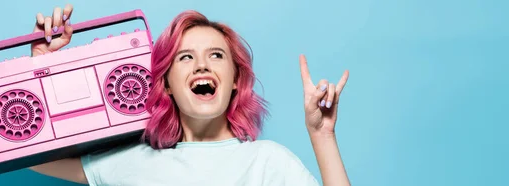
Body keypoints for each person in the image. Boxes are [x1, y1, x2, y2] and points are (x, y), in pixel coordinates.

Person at [28, 4, 351, 186]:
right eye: (185, 57)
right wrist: (41, 70)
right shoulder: (129, 162)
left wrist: (322, 135)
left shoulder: (268, 161)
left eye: (216, 55)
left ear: (236, 79)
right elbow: (30, 159)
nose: (200, 65)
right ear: (166, 83)